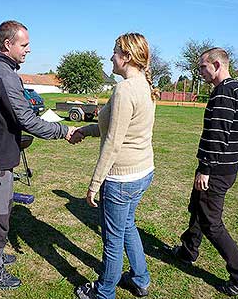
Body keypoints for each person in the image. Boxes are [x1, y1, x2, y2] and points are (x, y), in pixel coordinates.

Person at [0, 20, 75, 290]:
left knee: (1, 213)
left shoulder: (0, 70)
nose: (28, 49)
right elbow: (27, 118)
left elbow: (11, 118)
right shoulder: (3, 74)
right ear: (8, 44)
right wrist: (63, 131)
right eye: (24, 45)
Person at [166, 47, 238, 296]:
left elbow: (217, 136)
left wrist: (205, 169)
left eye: (202, 67)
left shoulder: (224, 93)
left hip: (216, 169)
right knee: (197, 207)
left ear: (217, 65)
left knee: (211, 222)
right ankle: (188, 250)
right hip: (227, 167)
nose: (200, 73)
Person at [72, 32, 157, 299]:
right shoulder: (142, 84)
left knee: (112, 239)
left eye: (114, 51)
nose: (110, 56)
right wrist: (85, 131)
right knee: (127, 225)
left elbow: (113, 142)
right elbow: (112, 127)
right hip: (143, 172)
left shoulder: (124, 89)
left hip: (123, 179)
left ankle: (104, 292)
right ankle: (141, 279)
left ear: (127, 56)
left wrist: (94, 184)